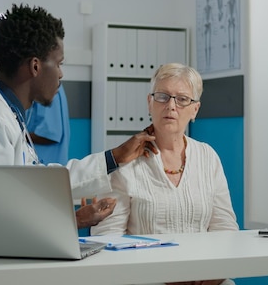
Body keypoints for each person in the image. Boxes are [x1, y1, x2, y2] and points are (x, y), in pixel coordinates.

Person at [0, 4, 157, 241]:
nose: (60, 74)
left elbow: (34, 185)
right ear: (35, 66)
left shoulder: (6, 115)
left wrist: (115, 158)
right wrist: (70, 221)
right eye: (58, 63)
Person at [91, 63, 238, 285]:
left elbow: (225, 229)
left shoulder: (208, 157)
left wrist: (211, 274)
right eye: (162, 96)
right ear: (150, 103)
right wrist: (164, 276)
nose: (171, 106)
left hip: (205, 278)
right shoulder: (126, 162)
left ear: (195, 109)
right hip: (145, 279)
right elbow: (107, 239)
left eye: (182, 99)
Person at [26, 84, 70, 165]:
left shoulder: (47, 88)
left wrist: (19, 136)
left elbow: (49, 134)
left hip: (45, 165)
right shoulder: (45, 87)